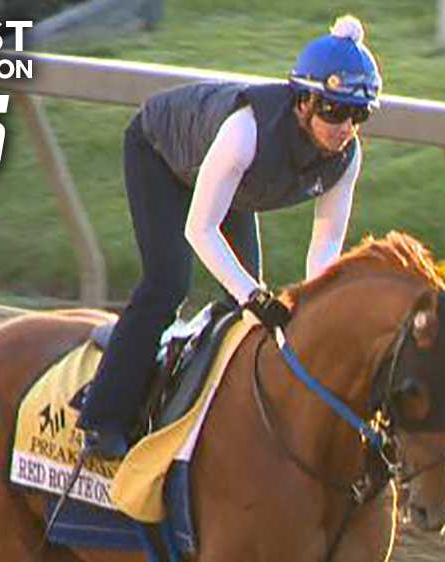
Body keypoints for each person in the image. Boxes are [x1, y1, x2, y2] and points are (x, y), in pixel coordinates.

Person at [75, 14, 382, 459]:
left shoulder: (346, 158)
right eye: (334, 110)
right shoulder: (246, 131)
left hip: (231, 186)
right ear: (302, 102)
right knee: (168, 284)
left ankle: (204, 412)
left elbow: (326, 245)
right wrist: (254, 295)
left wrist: (316, 307)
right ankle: (103, 417)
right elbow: (199, 229)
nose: (345, 128)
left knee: (241, 311)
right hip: (161, 154)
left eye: (359, 115)